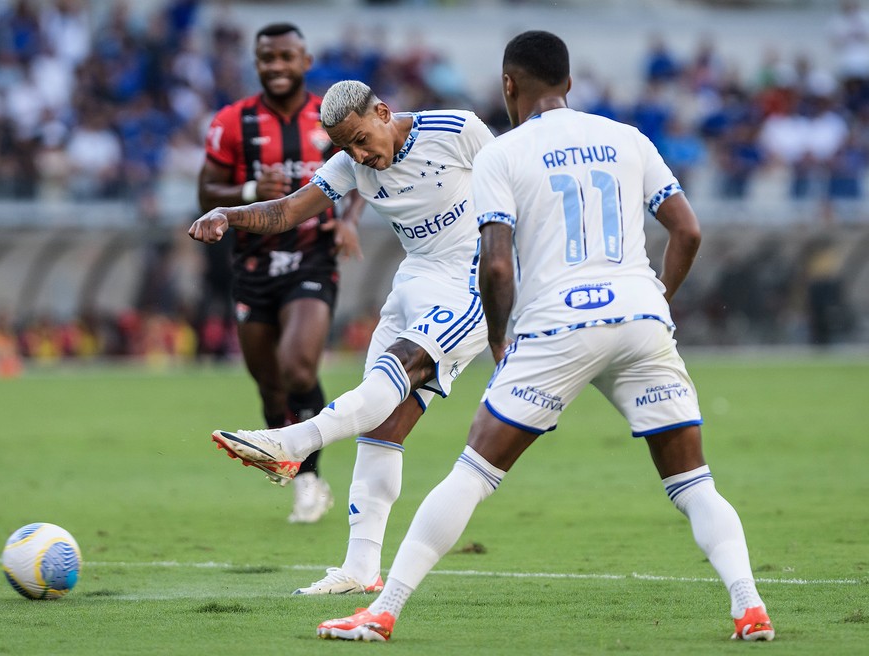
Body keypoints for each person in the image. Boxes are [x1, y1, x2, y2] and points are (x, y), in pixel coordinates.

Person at [316, 31, 775, 643]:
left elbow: (497, 264)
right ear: (569, 80)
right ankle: (749, 606)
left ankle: (382, 610)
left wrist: (501, 339)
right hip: (641, 320)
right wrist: (658, 299)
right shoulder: (627, 137)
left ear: (509, 84)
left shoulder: (502, 154)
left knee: (472, 474)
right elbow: (687, 231)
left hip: (557, 327)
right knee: (693, 483)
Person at [190, 80, 494, 594]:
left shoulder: (457, 129)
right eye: (344, 147)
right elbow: (287, 210)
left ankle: (291, 442)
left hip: (469, 282)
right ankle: (359, 569)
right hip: (413, 283)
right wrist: (227, 215)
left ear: (382, 111)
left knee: (387, 382)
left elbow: (518, 187)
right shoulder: (351, 164)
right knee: (380, 427)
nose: (358, 154)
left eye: (361, 139)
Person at [198, 23, 363, 524]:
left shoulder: (329, 118)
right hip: (253, 265)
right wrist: (249, 189)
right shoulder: (233, 121)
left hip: (312, 258)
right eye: (266, 58)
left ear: (305, 61)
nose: (275, 66)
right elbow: (207, 192)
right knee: (270, 386)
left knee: (298, 368)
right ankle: (294, 468)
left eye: (285, 57)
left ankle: (310, 482)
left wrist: (348, 223)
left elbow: (363, 172)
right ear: (257, 62)